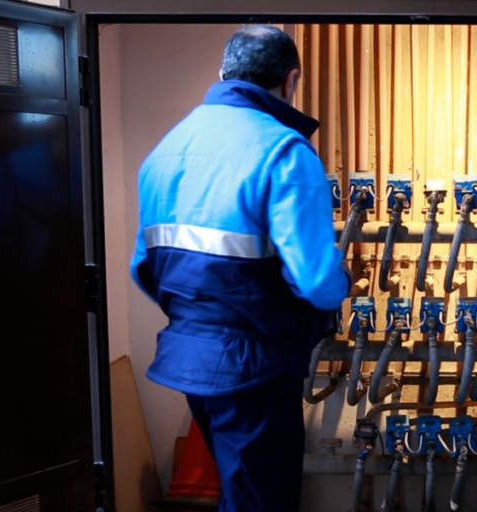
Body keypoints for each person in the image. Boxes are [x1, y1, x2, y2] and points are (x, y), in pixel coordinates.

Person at [130, 26, 349, 512]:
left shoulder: (166, 150)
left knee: (240, 493)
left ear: (222, 73)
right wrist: (341, 284)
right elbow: (318, 282)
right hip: (257, 369)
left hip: (190, 360)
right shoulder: (285, 151)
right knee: (262, 500)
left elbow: (143, 266)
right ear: (291, 80)